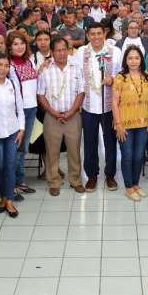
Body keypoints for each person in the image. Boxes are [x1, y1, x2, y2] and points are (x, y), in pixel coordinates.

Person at [73, 23, 123, 191]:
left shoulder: (115, 52)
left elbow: (123, 73)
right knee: (89, 143)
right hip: (88, 106)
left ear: (105, 34)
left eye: (99, 33)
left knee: (110, 142)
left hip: (109, 106)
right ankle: (92, 175)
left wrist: (113, 78)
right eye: (92, 34)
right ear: (87, 35)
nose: (96, 37)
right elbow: (76, 75)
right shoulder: (81, 53)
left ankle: (110, 175)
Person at [37, 38, 86, 196]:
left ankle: (76, 180)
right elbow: (41, 95)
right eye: (58, 50)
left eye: (64, 49)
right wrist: (53, 112)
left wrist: (72, 111)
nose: (62, 53)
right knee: (52, 151)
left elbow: (81, 92)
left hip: (73, 116)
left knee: (74, 150)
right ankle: (54, 181)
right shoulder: (45, 69)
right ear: (52, 52)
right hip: (52, 117)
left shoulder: (76, 68)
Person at [0, 52, 25, 218]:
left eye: (6, 66)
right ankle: (3, 196)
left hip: (12, 132)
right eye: (0, 65)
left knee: (10, 165)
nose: (3, 68)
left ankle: (8, 200)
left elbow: (20, 108)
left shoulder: (13, 84)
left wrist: (21, 129)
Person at [112, 46, 148, 201]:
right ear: (126, 60)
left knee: (139, 156)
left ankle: (136, 184)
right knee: (127, 156)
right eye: (130, 58)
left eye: (136, 58)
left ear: (141, 59)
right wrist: (118, 124)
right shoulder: (120, 77)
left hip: (143, 123)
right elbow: (114, 103)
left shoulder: (146, 76)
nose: (133, 61)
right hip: (125, 124)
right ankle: (129, 187)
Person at [6, 32, 39, 197]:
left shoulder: (29, 61)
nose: (19, 47)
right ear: (9, 47)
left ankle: (20, 181)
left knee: (23, 147)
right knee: (16, 148)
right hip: (19, 111)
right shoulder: (9, 66)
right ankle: (14, 183)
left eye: (22, 43)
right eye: (15, 44)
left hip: (32, 108)